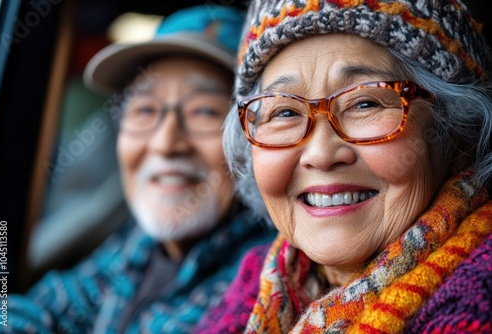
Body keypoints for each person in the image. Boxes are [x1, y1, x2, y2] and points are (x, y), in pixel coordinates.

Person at [194, 0, 492, 333]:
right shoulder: (254, 284)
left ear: (458, 132)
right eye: (285, 112)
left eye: (365, 103)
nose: (321, 154)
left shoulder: (478, 300)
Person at [0, 5, 275, 333]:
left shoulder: (262, 279)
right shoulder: (138, 244)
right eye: (145, 109)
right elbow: (36, 310)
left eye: (204, 111)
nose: (165, 143)